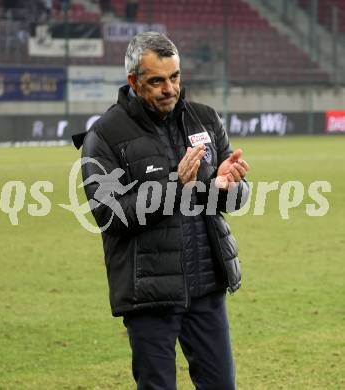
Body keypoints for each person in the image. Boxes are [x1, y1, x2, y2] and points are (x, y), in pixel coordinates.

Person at [73, 32, 250, 390]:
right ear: (133, 82)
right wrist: (174, 185)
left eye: (175, 77)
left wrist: (230, 187)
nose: (169, 88)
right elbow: (108, 215)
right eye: (157, 81)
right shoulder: (104, 137)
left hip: (205, 286)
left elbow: (228, 200)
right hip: (149, 294)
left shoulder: (205, 120)